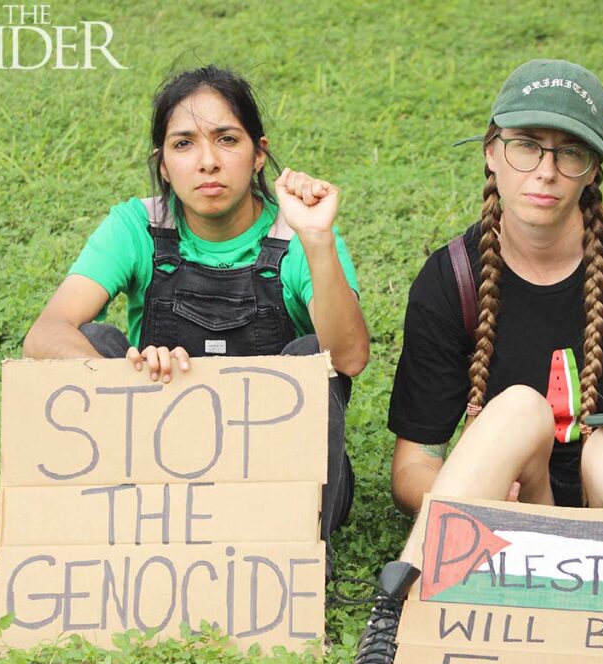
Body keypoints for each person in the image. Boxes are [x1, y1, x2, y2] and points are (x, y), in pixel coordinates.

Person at [346, 60, 603, 664]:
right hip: (519, 523)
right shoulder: (451, 280)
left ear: (593, 171)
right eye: (526, 146)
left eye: (570, 153)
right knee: (516, 407)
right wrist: (483, 505)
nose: (546, 172)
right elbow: (412, 466)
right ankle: (393, 631)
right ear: (491, 153)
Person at [23, 65, 369, 573]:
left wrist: (317, 238)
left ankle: (298, 557)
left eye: (227, 140)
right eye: (183, 144)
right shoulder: (138, 225)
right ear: (163, 164)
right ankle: (98, 529)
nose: (207, 162)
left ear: (259, 155)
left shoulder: (300, 234)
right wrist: (129, 368)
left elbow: (350, 357)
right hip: (159, 475)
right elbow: (45, 334)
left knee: (309, 357)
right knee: (92, 339)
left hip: (278, 484)